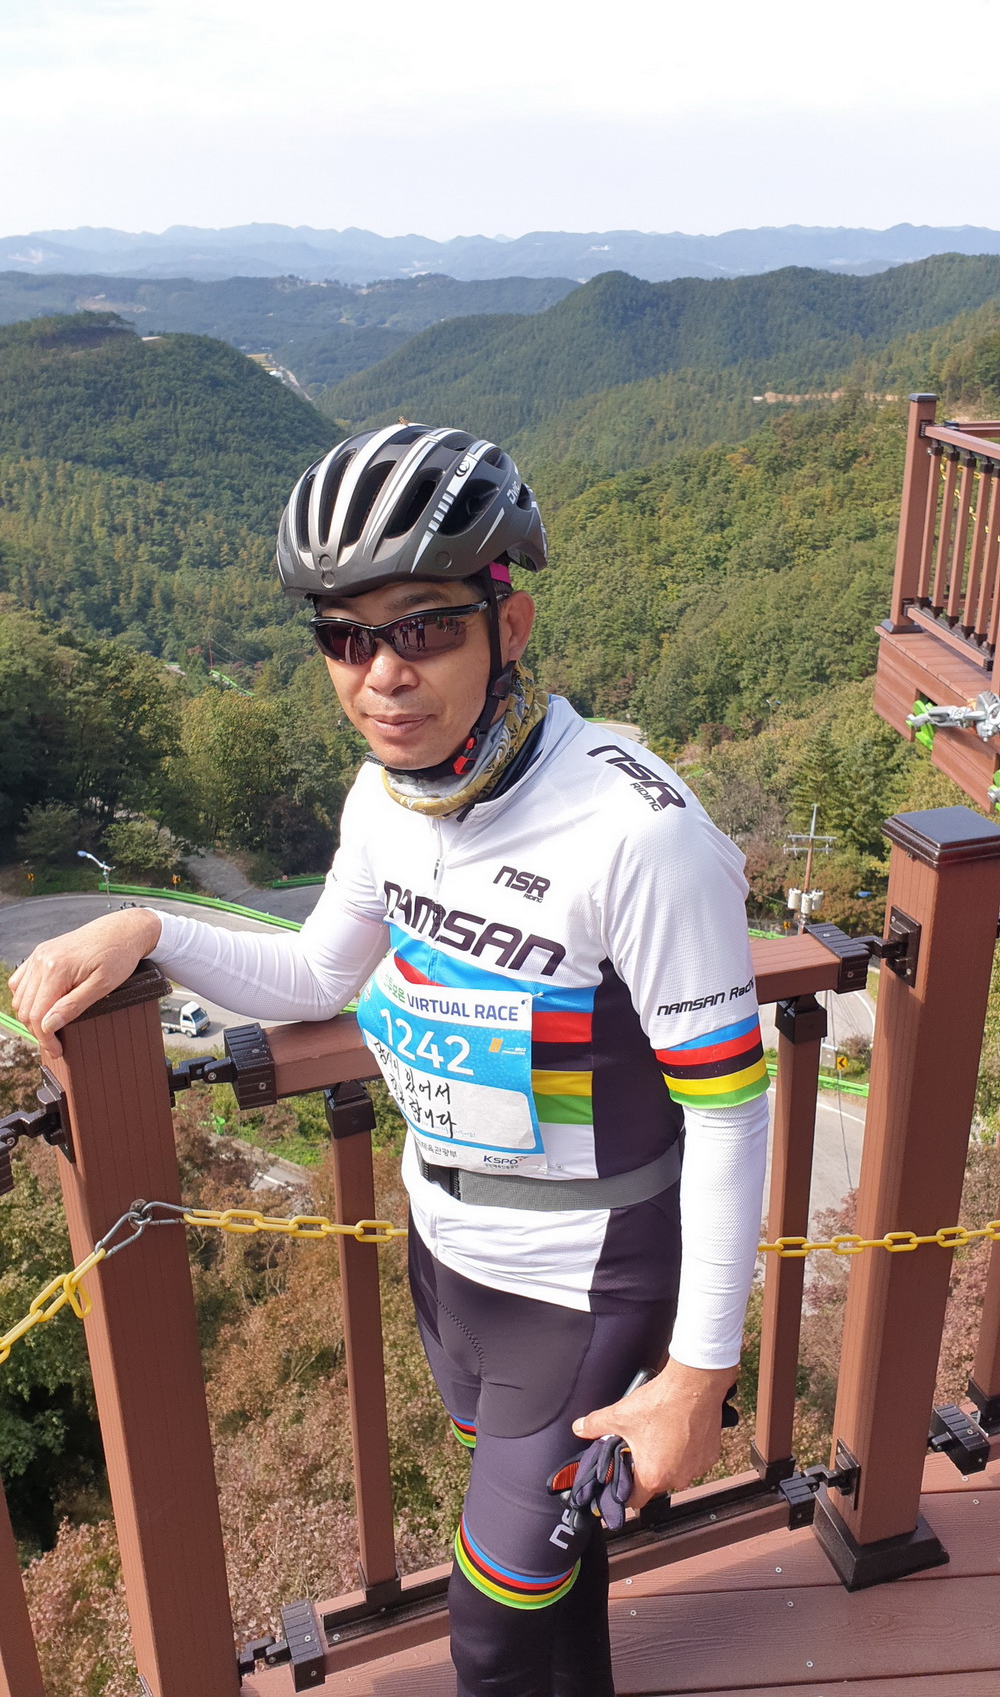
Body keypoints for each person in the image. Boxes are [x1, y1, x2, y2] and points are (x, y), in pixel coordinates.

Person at [11, 423, 769, 1697]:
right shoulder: (384, 797)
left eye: (423, 627)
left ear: (508, 623)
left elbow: (731, 1111)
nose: (381, 674)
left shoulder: (636, 833)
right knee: (553, 1565)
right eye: (344, 637)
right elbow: (318, 973)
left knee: (487, 1629)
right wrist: (149, 927)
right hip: (445, 1251)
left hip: (585, 1276)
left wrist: (700, 1372)